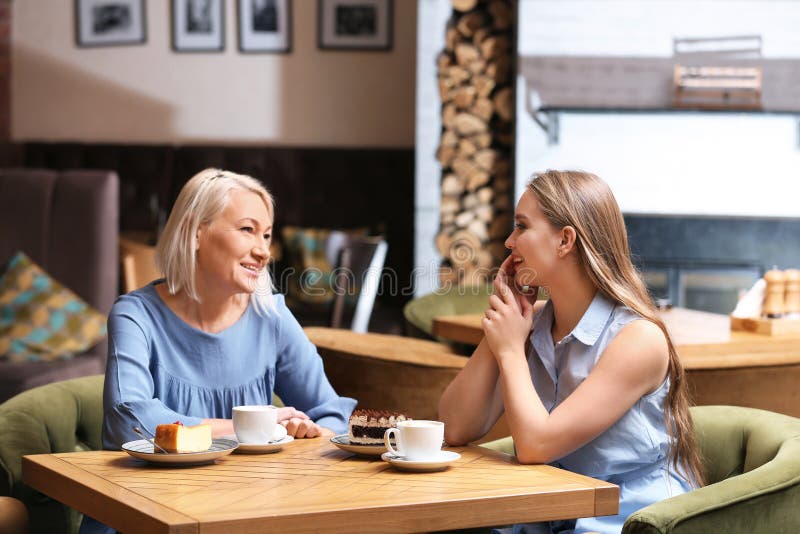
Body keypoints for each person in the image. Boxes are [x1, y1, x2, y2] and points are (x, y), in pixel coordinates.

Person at [439, 170, 704, 533]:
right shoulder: (530, 325)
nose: (509, 242)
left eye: (521, 227)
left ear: (565, 241)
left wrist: (512, 351)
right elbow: (454, 427)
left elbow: (535, 446)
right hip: (551, 510)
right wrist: (504, 320)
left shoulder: (639, 340)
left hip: (626, 517)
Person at [102, 167, 356, 448]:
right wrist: (249, 426)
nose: (263, 252)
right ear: (195, 233)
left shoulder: (271, 316)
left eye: (267, 235)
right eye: (248, 229)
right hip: (156, 490)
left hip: (250, 490)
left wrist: (305, 431)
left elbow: (332, 415)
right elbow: (128, 422)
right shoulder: (136, 316)